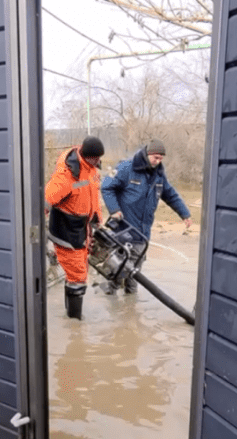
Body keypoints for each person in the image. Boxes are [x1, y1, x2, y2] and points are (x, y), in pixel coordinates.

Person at [100, 139, 192, 294]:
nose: (158, 161)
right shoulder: (126, 168)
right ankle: (111, 299)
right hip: (123, 232)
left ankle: (130, 308)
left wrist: (184, 214)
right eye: (156, 157)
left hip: (143, 234)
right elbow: (106, 186)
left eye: (161, 159)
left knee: (134, 277)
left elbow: (170, 195)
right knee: (116, 275)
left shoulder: (159, 176)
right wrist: (114, 209)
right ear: (147, 154)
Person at [45, 136, 105, 320]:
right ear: (87, 157)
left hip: (82, 228)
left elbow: (92, 195)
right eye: (96, 158)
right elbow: (44, 202)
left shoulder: (92, 170)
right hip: (65, 231)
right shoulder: (65, 176)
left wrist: (97, 220)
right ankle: (75, 323)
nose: (99, 161)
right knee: (78, 276)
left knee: (78, 273)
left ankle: (70, 314)